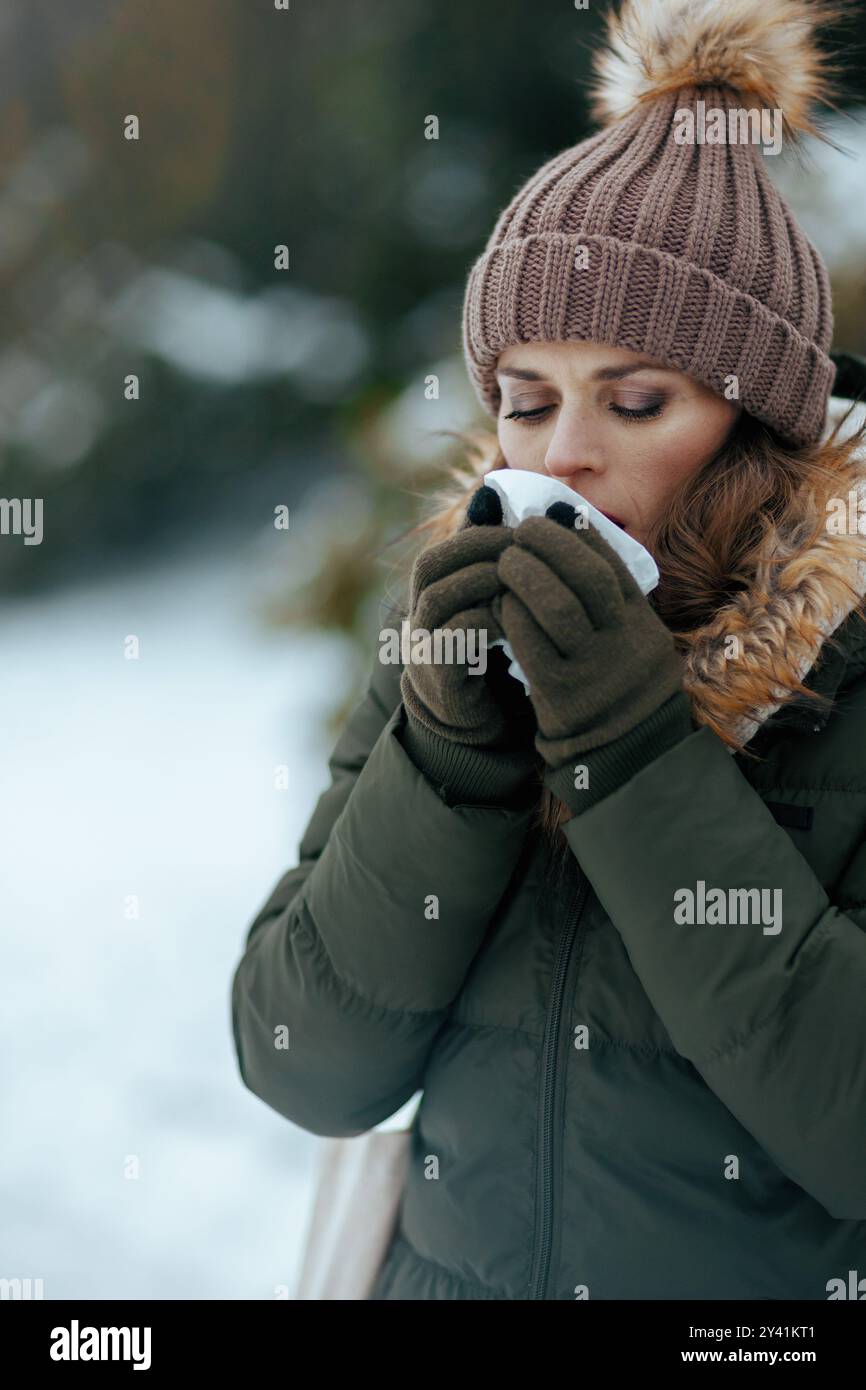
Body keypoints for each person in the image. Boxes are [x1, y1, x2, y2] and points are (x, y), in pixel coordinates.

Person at [231, 0, 866, 1298]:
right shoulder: (452, 638)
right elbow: (299, 1058)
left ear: (760, 420)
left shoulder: (845, 663)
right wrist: (446, 765)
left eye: (635, 400)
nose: (564, 454)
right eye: (526, 401)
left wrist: (636, 755)